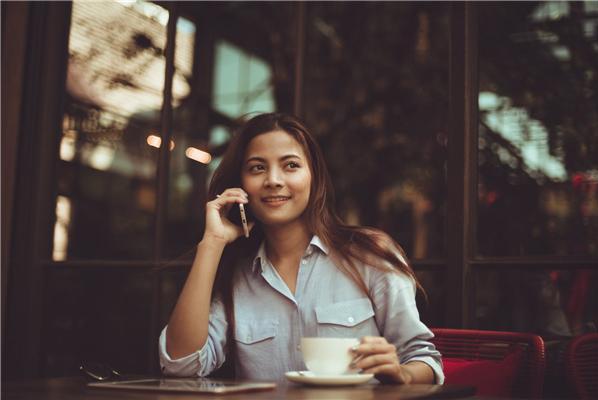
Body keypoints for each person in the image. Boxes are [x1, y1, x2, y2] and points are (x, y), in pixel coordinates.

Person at [159, 113, 444, 384]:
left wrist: (402, 374)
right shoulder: (236, 276)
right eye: (257, 167)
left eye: (291, 165)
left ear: (313, 177)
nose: (273, 180)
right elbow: (180, 365)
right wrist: (211, 244)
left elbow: (424, 360)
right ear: (241, 184)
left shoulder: (369, 254)